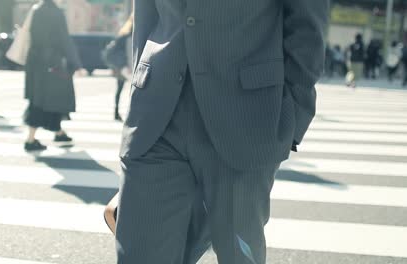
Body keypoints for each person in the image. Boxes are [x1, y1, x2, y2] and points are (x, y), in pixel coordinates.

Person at [113, 1, 329, 264]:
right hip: (157, 118)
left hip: (247, 119)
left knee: (239, 257)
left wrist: (291, 117)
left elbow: (308, 27)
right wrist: (142, 81)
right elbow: (145, 12)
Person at [24, 0, 82, 152]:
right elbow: (64, 39)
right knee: (52, 98)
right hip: (52, 63)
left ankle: (58, 132)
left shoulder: (36, 10)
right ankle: (30, 139)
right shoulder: (56, 13)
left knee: (41, 99)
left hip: (35, 62)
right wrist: (75, 62)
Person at [102, 14, 133, 121]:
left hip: (124, 68)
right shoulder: (127, 36)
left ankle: (116, 112)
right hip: (125, 68)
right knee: (131, 91)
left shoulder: (123, 35)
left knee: (121, 90)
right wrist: (124, 65)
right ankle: (118, 112)